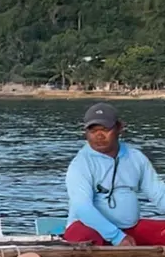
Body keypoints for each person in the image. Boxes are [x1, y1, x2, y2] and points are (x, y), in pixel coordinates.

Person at [65, 102, 165, 246]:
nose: (99, 135)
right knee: (86, 244)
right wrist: (117, 237)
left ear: (119, 127)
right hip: (86, 227)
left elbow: (159, 194)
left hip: (129, 227)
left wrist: (122, 236)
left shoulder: (136, 157)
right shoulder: (80, 164)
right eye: (93, 131)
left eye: (105, 129)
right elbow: (83, 208)